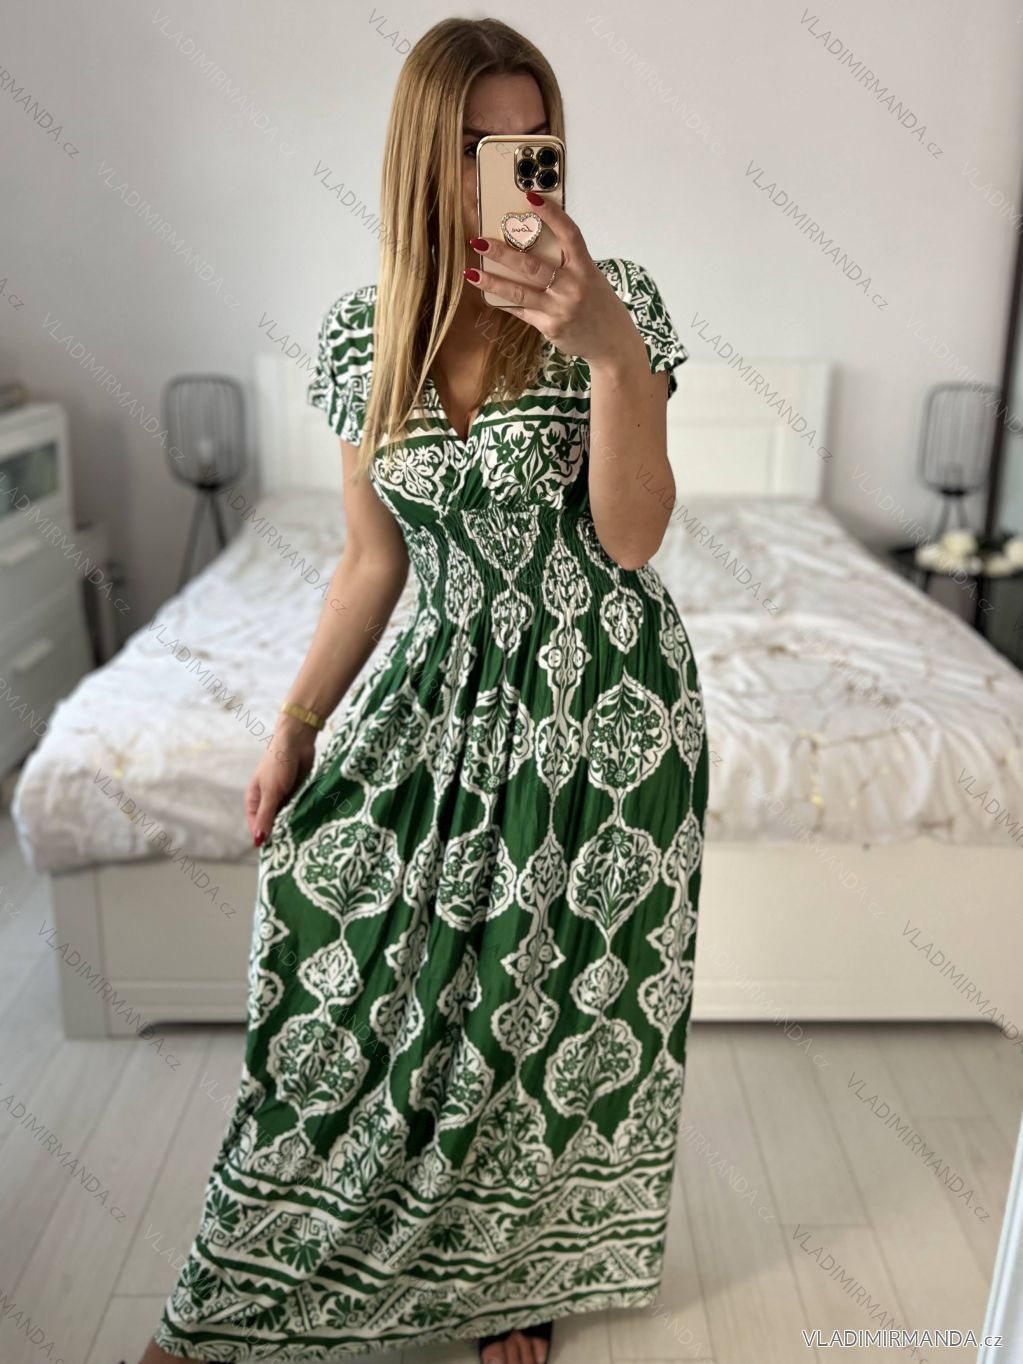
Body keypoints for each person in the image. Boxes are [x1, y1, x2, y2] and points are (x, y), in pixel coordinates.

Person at [140, 15, 708, 1364]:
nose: (513, 171)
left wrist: (610, 352)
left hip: (604, 703)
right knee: (341, 947)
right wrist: (294, 725)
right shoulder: (363, 335)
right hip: (441, 683)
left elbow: (633, 538)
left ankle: (512, 1278)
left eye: (532, 141)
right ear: (421, 156)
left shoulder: (616, 301)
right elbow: (369, 559)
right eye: (476, 144)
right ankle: (270, 1263)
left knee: (543, 1003)